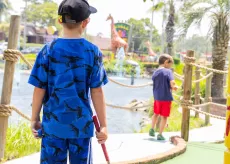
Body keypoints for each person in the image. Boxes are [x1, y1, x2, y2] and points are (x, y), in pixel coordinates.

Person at [28, 0, 108, 163]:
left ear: (60, 20)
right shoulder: (93, 52)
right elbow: (97, 91)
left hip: (53, 127)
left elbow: (39, 89)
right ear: (86, 22)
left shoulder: (47, 51)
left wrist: (34, 118)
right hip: (81, 127)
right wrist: (104, 125)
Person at [149, 54, 177, 140]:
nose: (170, 67)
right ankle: (160, 134)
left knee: (156, 114)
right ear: (166, 62)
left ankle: (152, 129)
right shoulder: (168, 71)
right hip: (166, 98)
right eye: (170, 65)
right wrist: (174, 87)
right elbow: (172, 82)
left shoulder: (155, 72)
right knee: (164, 116)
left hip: (157, 97)